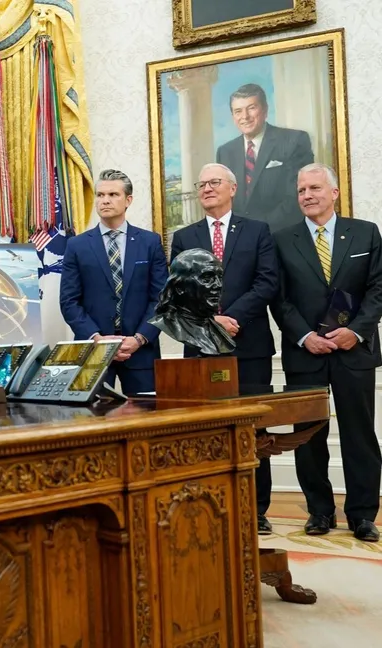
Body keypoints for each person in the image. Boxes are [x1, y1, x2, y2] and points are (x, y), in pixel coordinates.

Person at [271, 163, 382, 542]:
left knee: (359, 435)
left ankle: (363, 515)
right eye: (302, 190)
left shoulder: (365, 233)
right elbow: (279, 299)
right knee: (308, 437)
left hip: (354, 351)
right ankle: (319, 511)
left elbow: (377, 289)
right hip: (306, 354)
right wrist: (305, 336)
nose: (307, 195)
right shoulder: (282, 240)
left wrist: (356, 331)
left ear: (334, 193)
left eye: (315, 188)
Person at [171, 163, 279, 535]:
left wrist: (232, 316)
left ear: (232, 188)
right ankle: (207, 504)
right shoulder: (184, 237)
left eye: (214, 182)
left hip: (249, 346)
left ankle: (257, 508)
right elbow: (178, 290)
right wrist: (210, 320)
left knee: (254, 430)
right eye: (201, 184)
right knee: (203, 431)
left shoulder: (257, 231)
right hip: (200, 349)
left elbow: (267, 283)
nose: (206, 188)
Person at [60, 169, 168, 394]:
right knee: (92, 414)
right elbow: (69, 301)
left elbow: (161, 299)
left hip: (141, 353)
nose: (105, 200)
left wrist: (139, 339)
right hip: (94, 351)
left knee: (146, 413)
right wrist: (96, 338)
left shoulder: (150, 242)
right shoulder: (77, 245)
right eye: (100, 195)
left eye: (113, 194)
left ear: (128, 200)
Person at [216, 84, 314, 233]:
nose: (245, 116)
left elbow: (296, 197)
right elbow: (223, 201)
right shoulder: (225, 152)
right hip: (240, 237)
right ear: (233, 116)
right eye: (238, 111)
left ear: (265, 110)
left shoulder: (294, 140)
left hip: (282, 235)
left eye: (251, 108)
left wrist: (256, 231)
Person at [148, 248, 235, 356]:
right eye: (207, 278)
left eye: (219, 277)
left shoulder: (218, 332)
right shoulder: (169, 324)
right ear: (179, 287)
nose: (218, 285)